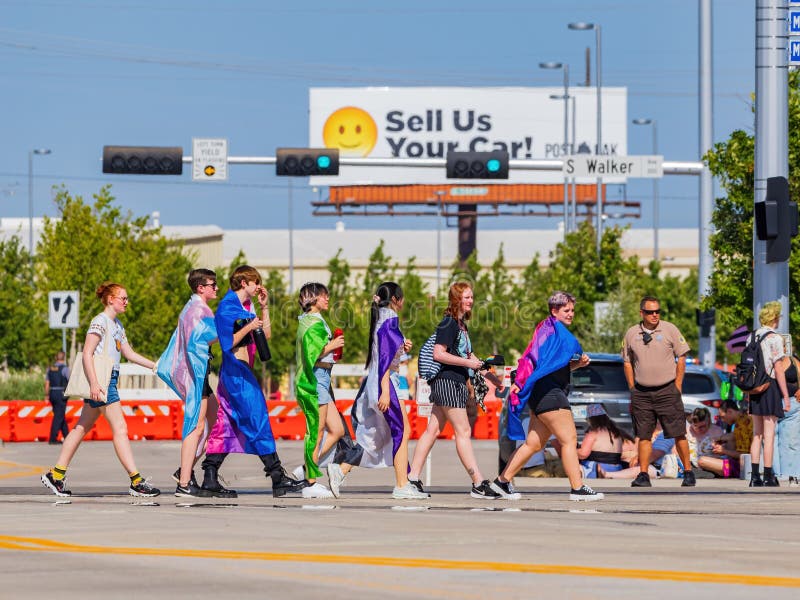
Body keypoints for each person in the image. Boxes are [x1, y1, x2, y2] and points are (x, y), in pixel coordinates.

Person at [41, 282, 161, 497]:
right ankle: (136, 480)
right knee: (120, 429)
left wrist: (155, 366)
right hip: (102, 381)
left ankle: (56, 475)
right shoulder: (100, 322)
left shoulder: (118, 326)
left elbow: (130, 354)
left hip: (107, 379)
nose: (126, 302)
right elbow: (87, 353)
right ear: (110, 299)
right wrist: (95, 384)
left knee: (80, 428)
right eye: (122, 298)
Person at [200, 265, 305, 498]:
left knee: (227, 424)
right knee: (257, 419)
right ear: (244, 283)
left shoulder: (246, 306)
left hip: (242, 372)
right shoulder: (227, 307)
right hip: (236, 375)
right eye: (255, 281)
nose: (258, 286)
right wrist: (249, 325)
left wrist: (265, 308)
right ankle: (277, 476)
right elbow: (227, 343)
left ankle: (209, 475)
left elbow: (265, 335)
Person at [491, 291, 604, 501]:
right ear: (554, 311)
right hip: (551, 395)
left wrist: (577, 364)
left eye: (572, 310)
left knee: (533, 445)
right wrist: (519, 381)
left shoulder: (545, 331)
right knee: (569, 439)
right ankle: (577, 488)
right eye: (566, 310)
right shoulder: (559, 335)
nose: (571, 314)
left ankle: (501, 483)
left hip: (540, 394)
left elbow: (550, 364)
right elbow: (532, 359)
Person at [330, 282, 426, 500]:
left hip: (380, 381)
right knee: (400, 431)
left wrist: (403, 346)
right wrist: (384, 390)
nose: (403, 302)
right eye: (401, 298)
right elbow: (384, 357)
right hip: (386, 383)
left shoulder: (381, 317)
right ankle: (402, 485)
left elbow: (388, 351)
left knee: (383, 436)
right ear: (395, 300)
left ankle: (341, 469)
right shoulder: (390, 318)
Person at [407, 281, 500, 499]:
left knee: (432, 431)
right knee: (464, 431)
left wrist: (493, 377)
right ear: (457, 299)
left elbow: (471, 357)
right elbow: (439, 354)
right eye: (467, 297)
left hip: (450, 382)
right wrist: (469, 365)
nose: (471, 301)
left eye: (471, 297)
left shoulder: (461, 326)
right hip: (448, 382)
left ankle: (412, 479)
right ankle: (477, 482)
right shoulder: (448, 324)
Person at [157, 269, 220, 497]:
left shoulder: (195, 308)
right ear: (200, 288)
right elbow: (206, 338)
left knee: (215, 419)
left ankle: (184, 470)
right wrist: (238, 326)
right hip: (196, 373)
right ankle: (184, 482)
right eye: (213, 284)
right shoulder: (196, 311)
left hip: (198, 372)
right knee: (197, 425)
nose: (216, 288)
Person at [622, 295, 695, 488]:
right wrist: (632, 388)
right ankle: (643, 474)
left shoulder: (670, 329)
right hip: (642, 393)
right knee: (644, 435)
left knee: (678, 432)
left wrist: (678, 385)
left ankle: (688, 472)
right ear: (641, 313)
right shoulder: (631, 333)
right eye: (650, 312)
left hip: (667, 390)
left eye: (657, 311)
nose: (654, 315)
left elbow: (682, 356)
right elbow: (627, 362)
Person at [294, 282, 345, 499]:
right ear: (313, 299)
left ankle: (307, 467)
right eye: (324, 296)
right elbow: (312, 354)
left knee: (337, 430)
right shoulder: (312, 322)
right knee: (315, 431)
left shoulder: (313, 320)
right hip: (314, 380)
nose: (327, 299)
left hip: (322, 378)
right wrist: (332, 346)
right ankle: (310, 482)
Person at [747, 300, 792, 487]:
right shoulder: (775, 338)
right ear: (775, 318)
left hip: (755, 388)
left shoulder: (752, 336)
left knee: (757, 434)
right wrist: (786, 396)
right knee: (769, 434)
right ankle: (768, 475)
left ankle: (754, 476)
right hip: (770, 386)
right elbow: (778, 368)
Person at [697, 400, 752, 478]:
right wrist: (720, 439)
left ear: (730, 411)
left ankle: (723, 473)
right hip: (740, 464)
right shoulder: (743, 420)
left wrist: (724, 451)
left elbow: (744, 456)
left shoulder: (741, 426)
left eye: (723, 417)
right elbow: (732, 436)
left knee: (702, 461)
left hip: (740, 468)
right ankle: (716, 471)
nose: (722, 420)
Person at [577, 404, 632, 478]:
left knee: (573, 464)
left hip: (597, 467)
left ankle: (592, 473)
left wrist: (574, 451)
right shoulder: (616, 432)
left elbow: (583, 454)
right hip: (617, 468)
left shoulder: (593, 433)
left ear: (590, 419)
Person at [777, 355, 800, 486]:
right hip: (771, 404)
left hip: (792, 404)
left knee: (791, 442)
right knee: (772, 443)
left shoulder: (793, 360)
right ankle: (775, 475)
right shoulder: (765, 359)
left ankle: (794, 475)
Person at [685, 407, 724, 477]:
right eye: (695, 426)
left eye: (703, 426)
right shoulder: (688, 431)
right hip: (691, 464)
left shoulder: (716, 431)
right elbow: (676, 449)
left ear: (708, 421)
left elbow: (723, 452)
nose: (698, 429)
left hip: (709, 464)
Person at [44, 351, 70, 444]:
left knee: (60, 415)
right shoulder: (65, 369)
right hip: (61, 393)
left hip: (52, 393)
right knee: (58, 416)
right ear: (64, 358)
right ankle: (52, 438)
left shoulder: (50, 369)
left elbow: (47, 383)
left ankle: (67, 437)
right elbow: (70, 381)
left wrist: (46, 395)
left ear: (56, 358)